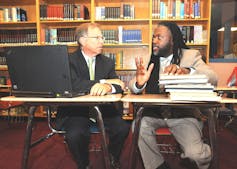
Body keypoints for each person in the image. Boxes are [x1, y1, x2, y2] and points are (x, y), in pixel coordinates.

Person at [128, 21, 218, 169]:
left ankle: (203, 150)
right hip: (154, 113)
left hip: (183, 114)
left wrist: (188, 71)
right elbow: (132, 85)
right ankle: (158, 165)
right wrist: (139, 83)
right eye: (153, 37)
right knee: (138, 126)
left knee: (194, 155)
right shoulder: (149, 57)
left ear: (172, 40)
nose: (154, 41)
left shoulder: (190, 55)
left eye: (159, 37)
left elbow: (213, 78)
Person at [56, 23, 130, 169]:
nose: (102, 41)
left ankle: (112, 157)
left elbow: (118, 86)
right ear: (83, 41)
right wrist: (102, 82)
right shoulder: (68, 60)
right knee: (75, 134)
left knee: (123, 128)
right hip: (76, 111)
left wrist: (108, 86)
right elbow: (72, 85)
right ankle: (83, 164)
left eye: (102, 37)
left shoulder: (107, 62)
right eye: (97, 37)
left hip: (104, 109)